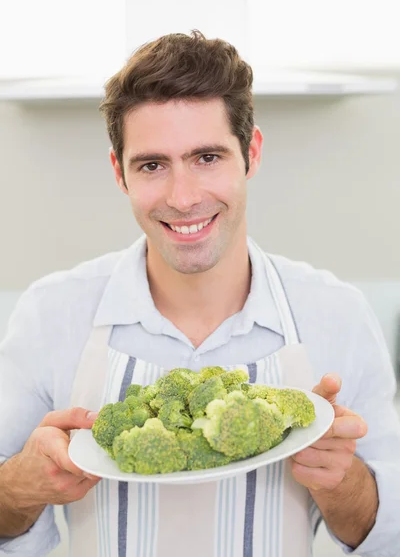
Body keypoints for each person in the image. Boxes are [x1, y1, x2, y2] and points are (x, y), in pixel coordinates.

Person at [0, 30, 399, 557]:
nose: (183, 197)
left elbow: (390, 534)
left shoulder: (337, 314)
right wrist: (17, 488)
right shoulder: (50, 314)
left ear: (250, 153)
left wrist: (342, 482)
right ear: (119, 172)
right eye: (152, 165)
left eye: (207, 158)